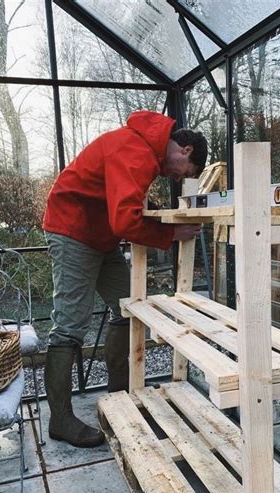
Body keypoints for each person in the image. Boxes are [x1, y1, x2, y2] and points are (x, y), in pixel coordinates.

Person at [42, 110, 208, 448]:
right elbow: (124, 222)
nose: (178, 177)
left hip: (100, 237)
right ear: (186, 151)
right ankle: (59, 419)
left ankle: (120, 397)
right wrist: (172, 234)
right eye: (185, 172)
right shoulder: (134, 151)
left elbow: (124, 207)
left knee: (129, 307)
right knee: (70, 325)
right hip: (73, 230)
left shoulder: (144, 150)